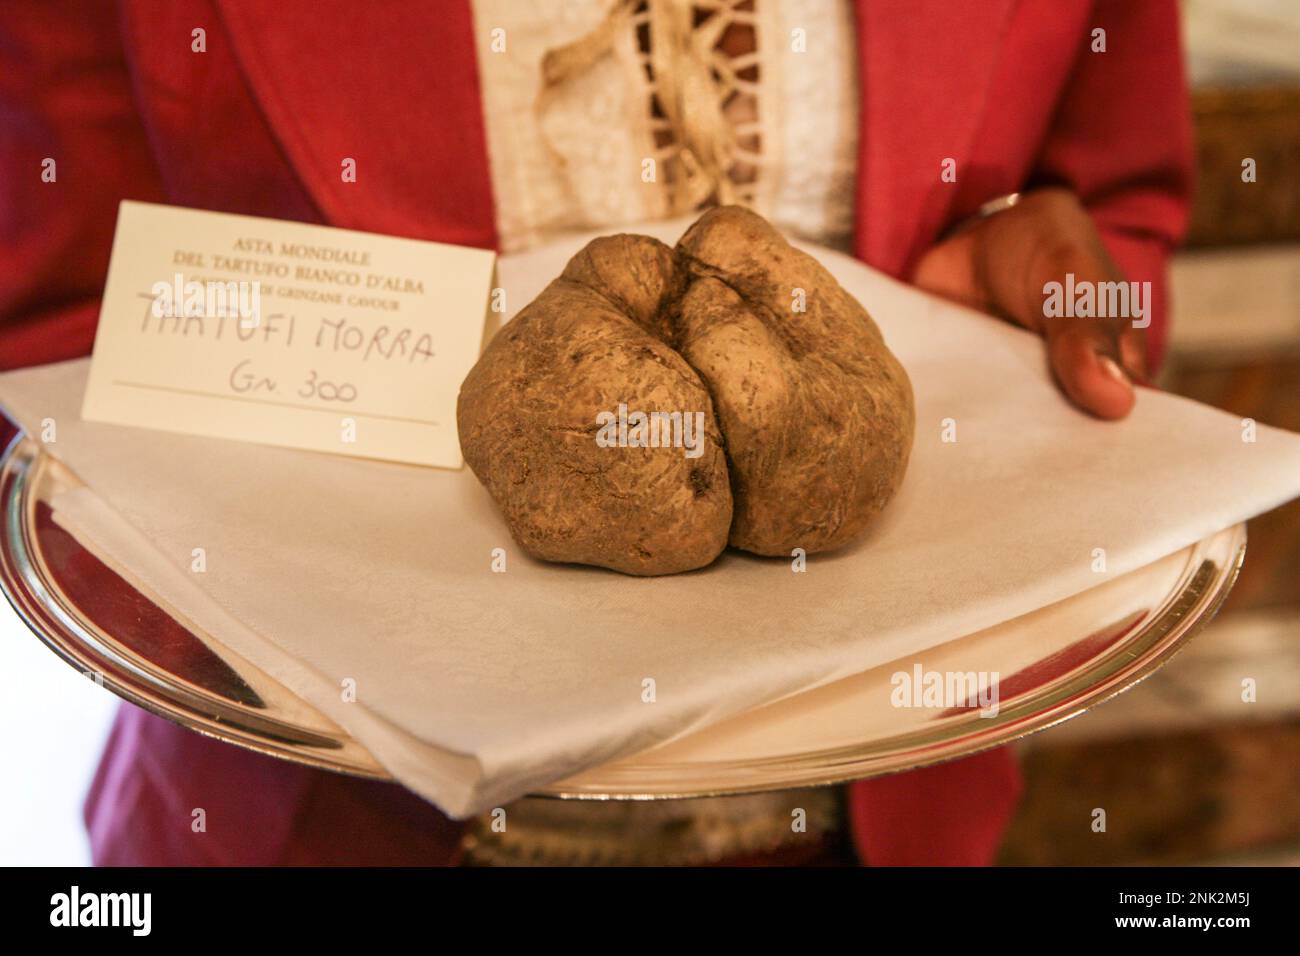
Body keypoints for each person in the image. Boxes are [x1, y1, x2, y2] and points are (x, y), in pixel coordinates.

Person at [1, 0, 1192, 865]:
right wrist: (262, 626)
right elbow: (44, 334)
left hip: (883, 816)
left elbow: (1117, 200)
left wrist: (1028, 285)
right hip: (314, 827)